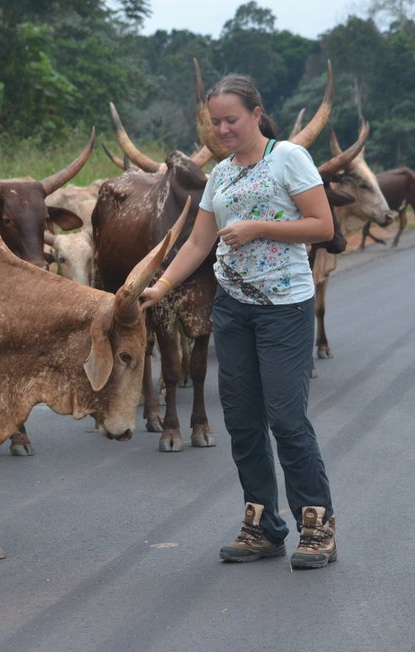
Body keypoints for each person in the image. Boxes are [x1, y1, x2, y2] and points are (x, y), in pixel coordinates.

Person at [139, 73, 337, 569]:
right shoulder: (222, 175)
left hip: (285, 309)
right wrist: (160, 287)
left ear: (255, 113)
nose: (223, 129)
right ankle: (263, 525)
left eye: (232, 119)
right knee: (244, 423)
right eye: (215, 121)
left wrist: (258, 228)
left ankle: (316, 527)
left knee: (287, 420)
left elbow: (323, 226)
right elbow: (199, 244)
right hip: (232, 310)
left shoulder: (288, 157)